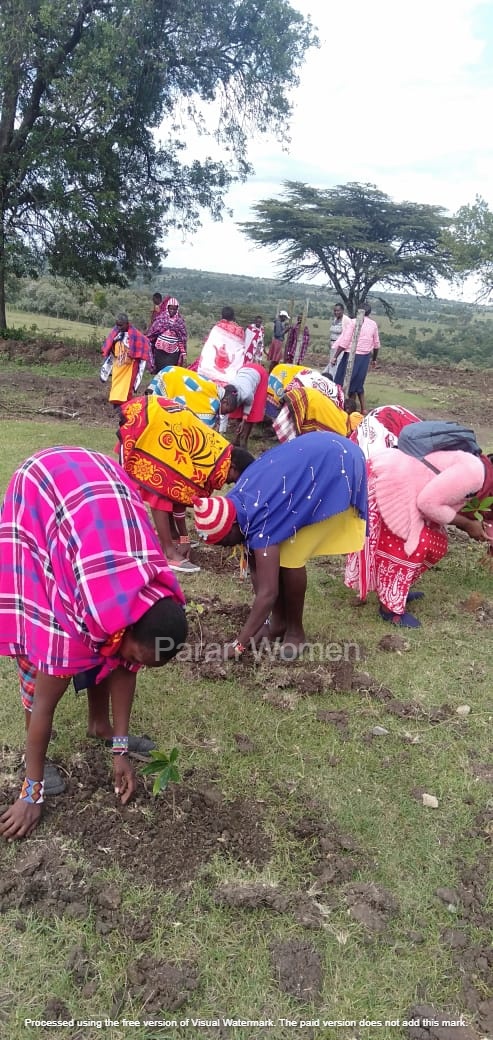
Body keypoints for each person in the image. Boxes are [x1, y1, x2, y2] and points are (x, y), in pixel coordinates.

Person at [0, 446, 188, 841]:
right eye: (137, 655)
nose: (135, 664)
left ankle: (99, 727)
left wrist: (120, 748)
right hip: (43, 490)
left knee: (112, 652)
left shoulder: (150, 599)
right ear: (128, 628)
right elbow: (45, 707)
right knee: (40, 657)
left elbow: (126, 665)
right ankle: (35, 768)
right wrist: (30, 793)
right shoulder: (75, 622)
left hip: (98, 504)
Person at [193, 433, 368, 659]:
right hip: (304, 466)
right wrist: (263, 624)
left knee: (292, 554)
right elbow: (255, 563)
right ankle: (278, 624)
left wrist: (238, 644)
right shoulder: (236, 503)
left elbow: (268, 592)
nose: (227, 547)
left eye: (226, 540)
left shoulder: (260, 517)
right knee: (270, 554)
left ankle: (296, 632)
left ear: (233, 524)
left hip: (335, 464)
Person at [345, 444, 486, 628]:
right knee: (413, 545)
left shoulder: (480, 471)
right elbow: (427, 504)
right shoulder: (474, 474)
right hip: (391, 482)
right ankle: (389, 607)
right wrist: (467, 524)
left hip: (408, 484)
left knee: (437, 543)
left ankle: (395, 589)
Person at [118, 395, 254, 570]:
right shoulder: (213, 461)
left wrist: (184, 538)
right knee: (162, 488)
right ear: (233, 467)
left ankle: (170, 536)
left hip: (161, 419)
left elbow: (182, 496)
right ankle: (168, 552)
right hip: (153, 421)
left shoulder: (220, 455)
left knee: (171, 487)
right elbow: (176, 491)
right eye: (232, 480)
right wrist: (185, 538)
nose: (226, 484)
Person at [333, 302, 380, 413]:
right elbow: (376, 344)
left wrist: (335, 356)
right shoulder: (373, 324)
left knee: (341, 382)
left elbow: (345, 341)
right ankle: (356, 410)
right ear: (369, 312)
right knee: (356, 383)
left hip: (350, 355)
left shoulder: (353, 322)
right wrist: (374, 359)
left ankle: (342, 407)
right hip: (364, 357)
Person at [100, 313, 151, 406]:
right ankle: (116, 405)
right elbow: (109, 346)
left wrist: (134, 353)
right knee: (116, 386)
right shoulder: (115, 333)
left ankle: (126, 408)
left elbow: (144, 345)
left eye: (121, 325)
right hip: (118, 365)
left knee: (127, 388)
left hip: (130, 367)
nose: (119, 327)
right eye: (117, 325)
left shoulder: (136, 335)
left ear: (127, 323)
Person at [146, 365, 222, 428]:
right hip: (171, 377)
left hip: (170, 370)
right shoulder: (213, 403)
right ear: (225, 402)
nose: (224, 414)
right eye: (227, 411)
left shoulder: (215, 389)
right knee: (155, 406)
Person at [272, 385, 349, 442]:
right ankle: (284, 440)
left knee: (288, 420)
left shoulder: (342, 414)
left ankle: (279, 436)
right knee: (291, 423)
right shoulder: (342, 431)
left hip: (305, 393)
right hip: (308, 399)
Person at [218, 363, 269, 447]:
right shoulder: (223, 393)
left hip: (259, 374)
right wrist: (221, 433)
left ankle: (244, 440)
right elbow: (224, 416)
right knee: (237, 412)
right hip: (243, 370)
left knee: (252, 412)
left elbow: (249, 403)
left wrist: (244, 418)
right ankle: (236, 439)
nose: (226, 413)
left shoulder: (247, 394)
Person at [198, 306, 246, 385]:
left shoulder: (217, 327)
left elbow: (210, 344)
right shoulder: (239, 331)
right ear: (233, 317)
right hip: (230, 370)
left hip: (212, 368)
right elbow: (240, 349)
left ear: (222, 316)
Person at [146, 297, 188, 372]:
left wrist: (183, 353)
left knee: (169, 371)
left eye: (174, 309)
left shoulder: (180, 322)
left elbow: (182, 338)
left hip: (173, 352)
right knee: (160, 372)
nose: (172, 311)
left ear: (177, 310)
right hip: (160, 350)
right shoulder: (161, 319)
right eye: (171, 309)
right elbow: (152, 334)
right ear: (167, 308)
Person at [324, 302, 351, 378]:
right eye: (335, 310)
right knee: (332, 363)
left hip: (340, 347)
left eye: (338, 310)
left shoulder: (346, 320)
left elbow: (348, 335)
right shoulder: (335, 320)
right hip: (333, 345)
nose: (336, 312)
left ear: (342, 310)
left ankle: (333, 381)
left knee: (335, 364)